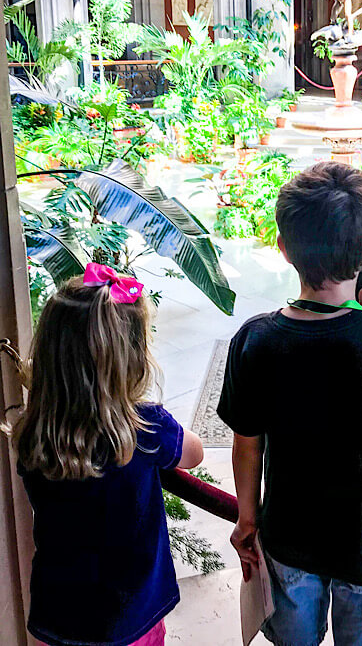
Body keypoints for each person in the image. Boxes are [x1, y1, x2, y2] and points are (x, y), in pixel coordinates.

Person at [218, 162, 362, 646]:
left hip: (288, 540)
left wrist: (247, 520)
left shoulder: (255, 341)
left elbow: (247, 444)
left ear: (283, 248)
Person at [10, 263, 204, 646]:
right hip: (133, 619)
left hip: (59, 617)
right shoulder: (145, 428)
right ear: (131, 359)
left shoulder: (33, 434)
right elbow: (193, 453)